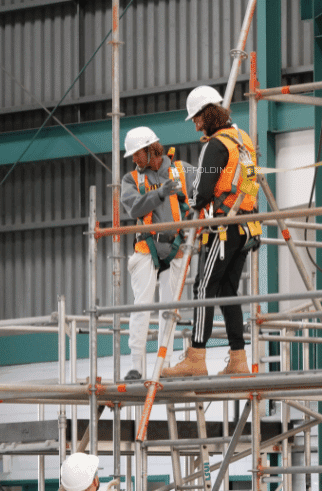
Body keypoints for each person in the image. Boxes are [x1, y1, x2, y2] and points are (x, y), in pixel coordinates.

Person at [161, 86, 261, 379]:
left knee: (203, 288)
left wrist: (190, 197)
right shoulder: (243, 141)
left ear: (207, 115)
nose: (195, 124)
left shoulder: (215, 146)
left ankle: (196, 356)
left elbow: (202, 193)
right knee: (228, 291)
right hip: (246, 224)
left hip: (223, 227)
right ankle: (239, 359)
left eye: (196, 118)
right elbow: (251, 183)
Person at [121, 126, 197, 381]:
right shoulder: (131, 179)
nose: (133, 159)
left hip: (176, 249)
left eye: (136, 153)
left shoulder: (182, 170)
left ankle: (162, 364)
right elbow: (133, 208)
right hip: (146, 248)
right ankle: (136, 367)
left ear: (150, 149)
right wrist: (160, 193)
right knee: (141, 306)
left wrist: (247, 167)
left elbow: (210, 178)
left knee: (169, 310)